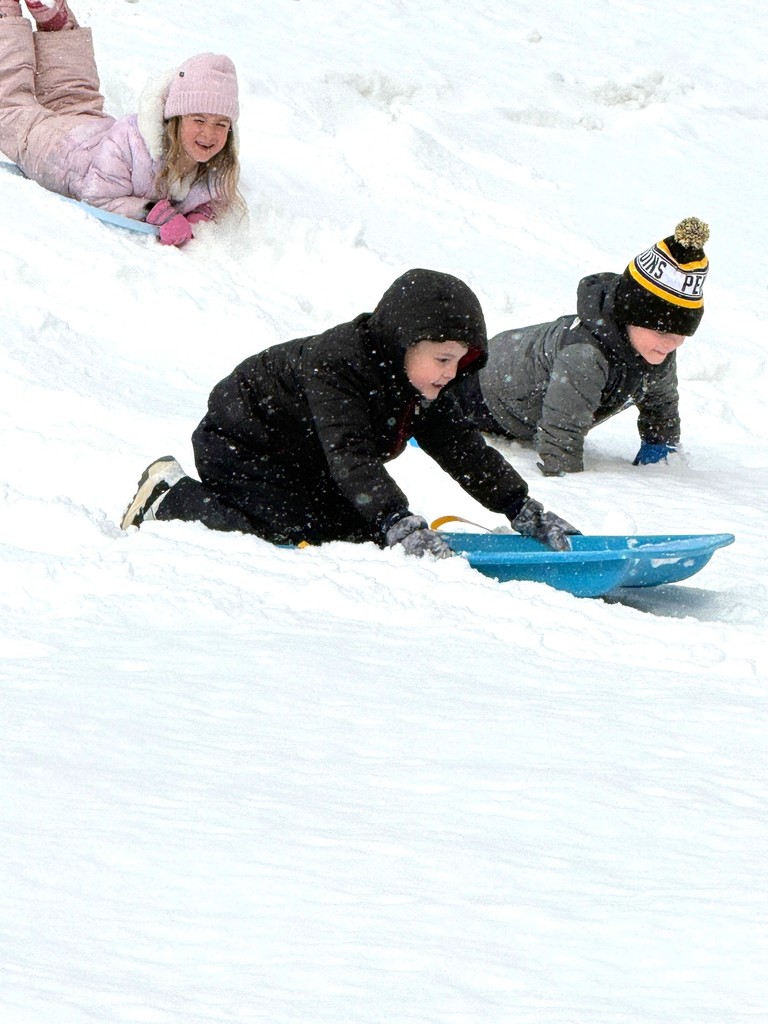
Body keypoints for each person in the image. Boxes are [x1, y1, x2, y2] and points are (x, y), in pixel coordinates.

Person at [120, 269, 580, 557]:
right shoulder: (339, 365)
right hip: (241, 446)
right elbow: (350, 455)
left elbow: (462, 448)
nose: (450, 372)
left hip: (305, 459)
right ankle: (170, 497)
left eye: (459, 361)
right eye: (442, 359)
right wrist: (396, 519)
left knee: (357, 530)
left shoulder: (422, 384)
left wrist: (520, 507)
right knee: (293, 534)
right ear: (404, 342)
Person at [453, 218, 710, 475]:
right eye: (661, 330)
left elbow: (660, 403)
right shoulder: (585, 354)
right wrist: (569, 480)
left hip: (523, 408)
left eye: (682, 332)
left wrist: (660, 449)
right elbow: (562, 429)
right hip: (482, 389)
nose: (672, 343)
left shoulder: (656, 349)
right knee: (445, 405)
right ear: (629, 316)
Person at [0, 0, 243, 245]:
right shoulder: (133, 143)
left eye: (221, 124)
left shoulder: (217, 167)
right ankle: (5, 17)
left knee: (73, 97)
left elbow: (214, 203)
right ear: (175, 120)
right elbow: (96, 197)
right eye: (199, 120)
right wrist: (153, 212)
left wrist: (197, 221)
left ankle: (55, 22)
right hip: (60, 152)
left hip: (90, 128)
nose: (209, 133)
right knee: (9, 111)